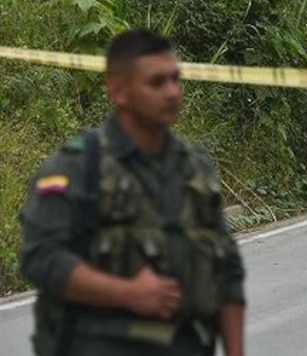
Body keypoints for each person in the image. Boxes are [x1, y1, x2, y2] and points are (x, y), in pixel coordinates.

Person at [19, 29, 246, 356]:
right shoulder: (78, 167)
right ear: (118, 90)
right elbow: (41, 258)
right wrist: (128, 293)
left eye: (175, 79)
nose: (171, 92)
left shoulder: (194, 168)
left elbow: (227, 271)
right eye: (156, 82)